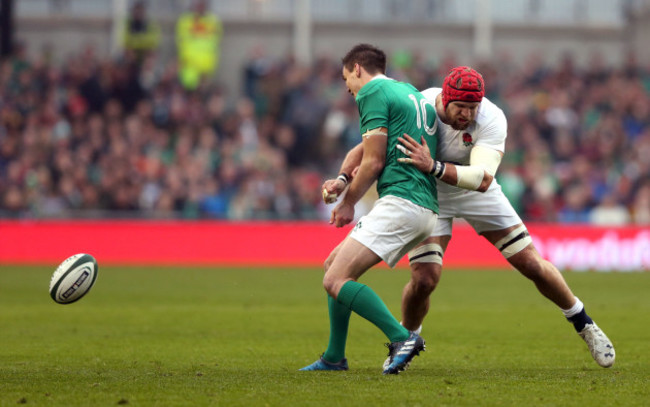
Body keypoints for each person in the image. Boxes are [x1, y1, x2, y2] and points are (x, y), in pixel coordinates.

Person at [324, 66, 616, 369]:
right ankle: (406, 343)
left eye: (472, 108)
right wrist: (343, 178)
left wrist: (434, 165)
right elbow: (371, 144)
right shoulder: (421, 104)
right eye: (460, 107)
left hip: (475, 190)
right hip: (430, 193)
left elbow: (483, 178)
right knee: (424, 280)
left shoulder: (491, 118)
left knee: (530, 263)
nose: (466, 114)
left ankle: (584, 323)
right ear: (444, 99)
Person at [300, 43, 440, 374]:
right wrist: (342, 179)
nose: (347, 88)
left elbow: (375, 161)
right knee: (334, 265)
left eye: (346, 78)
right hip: (423, 205)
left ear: (358, 69)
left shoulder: (372, 92)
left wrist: (348, 203)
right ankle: (335, 357)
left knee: (335, 279)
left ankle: (401, 337)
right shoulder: (406, 92)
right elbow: (365, 150)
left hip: (402, 201)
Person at [175, 0, 223, 90]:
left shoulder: (213, 21)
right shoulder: (186, 20)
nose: (201, 6)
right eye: (199, 4)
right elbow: (181, 41)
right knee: (189, 94)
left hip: (206, 67)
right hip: (190, 67)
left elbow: (215, 40)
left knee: (204, 95)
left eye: (203, 3)